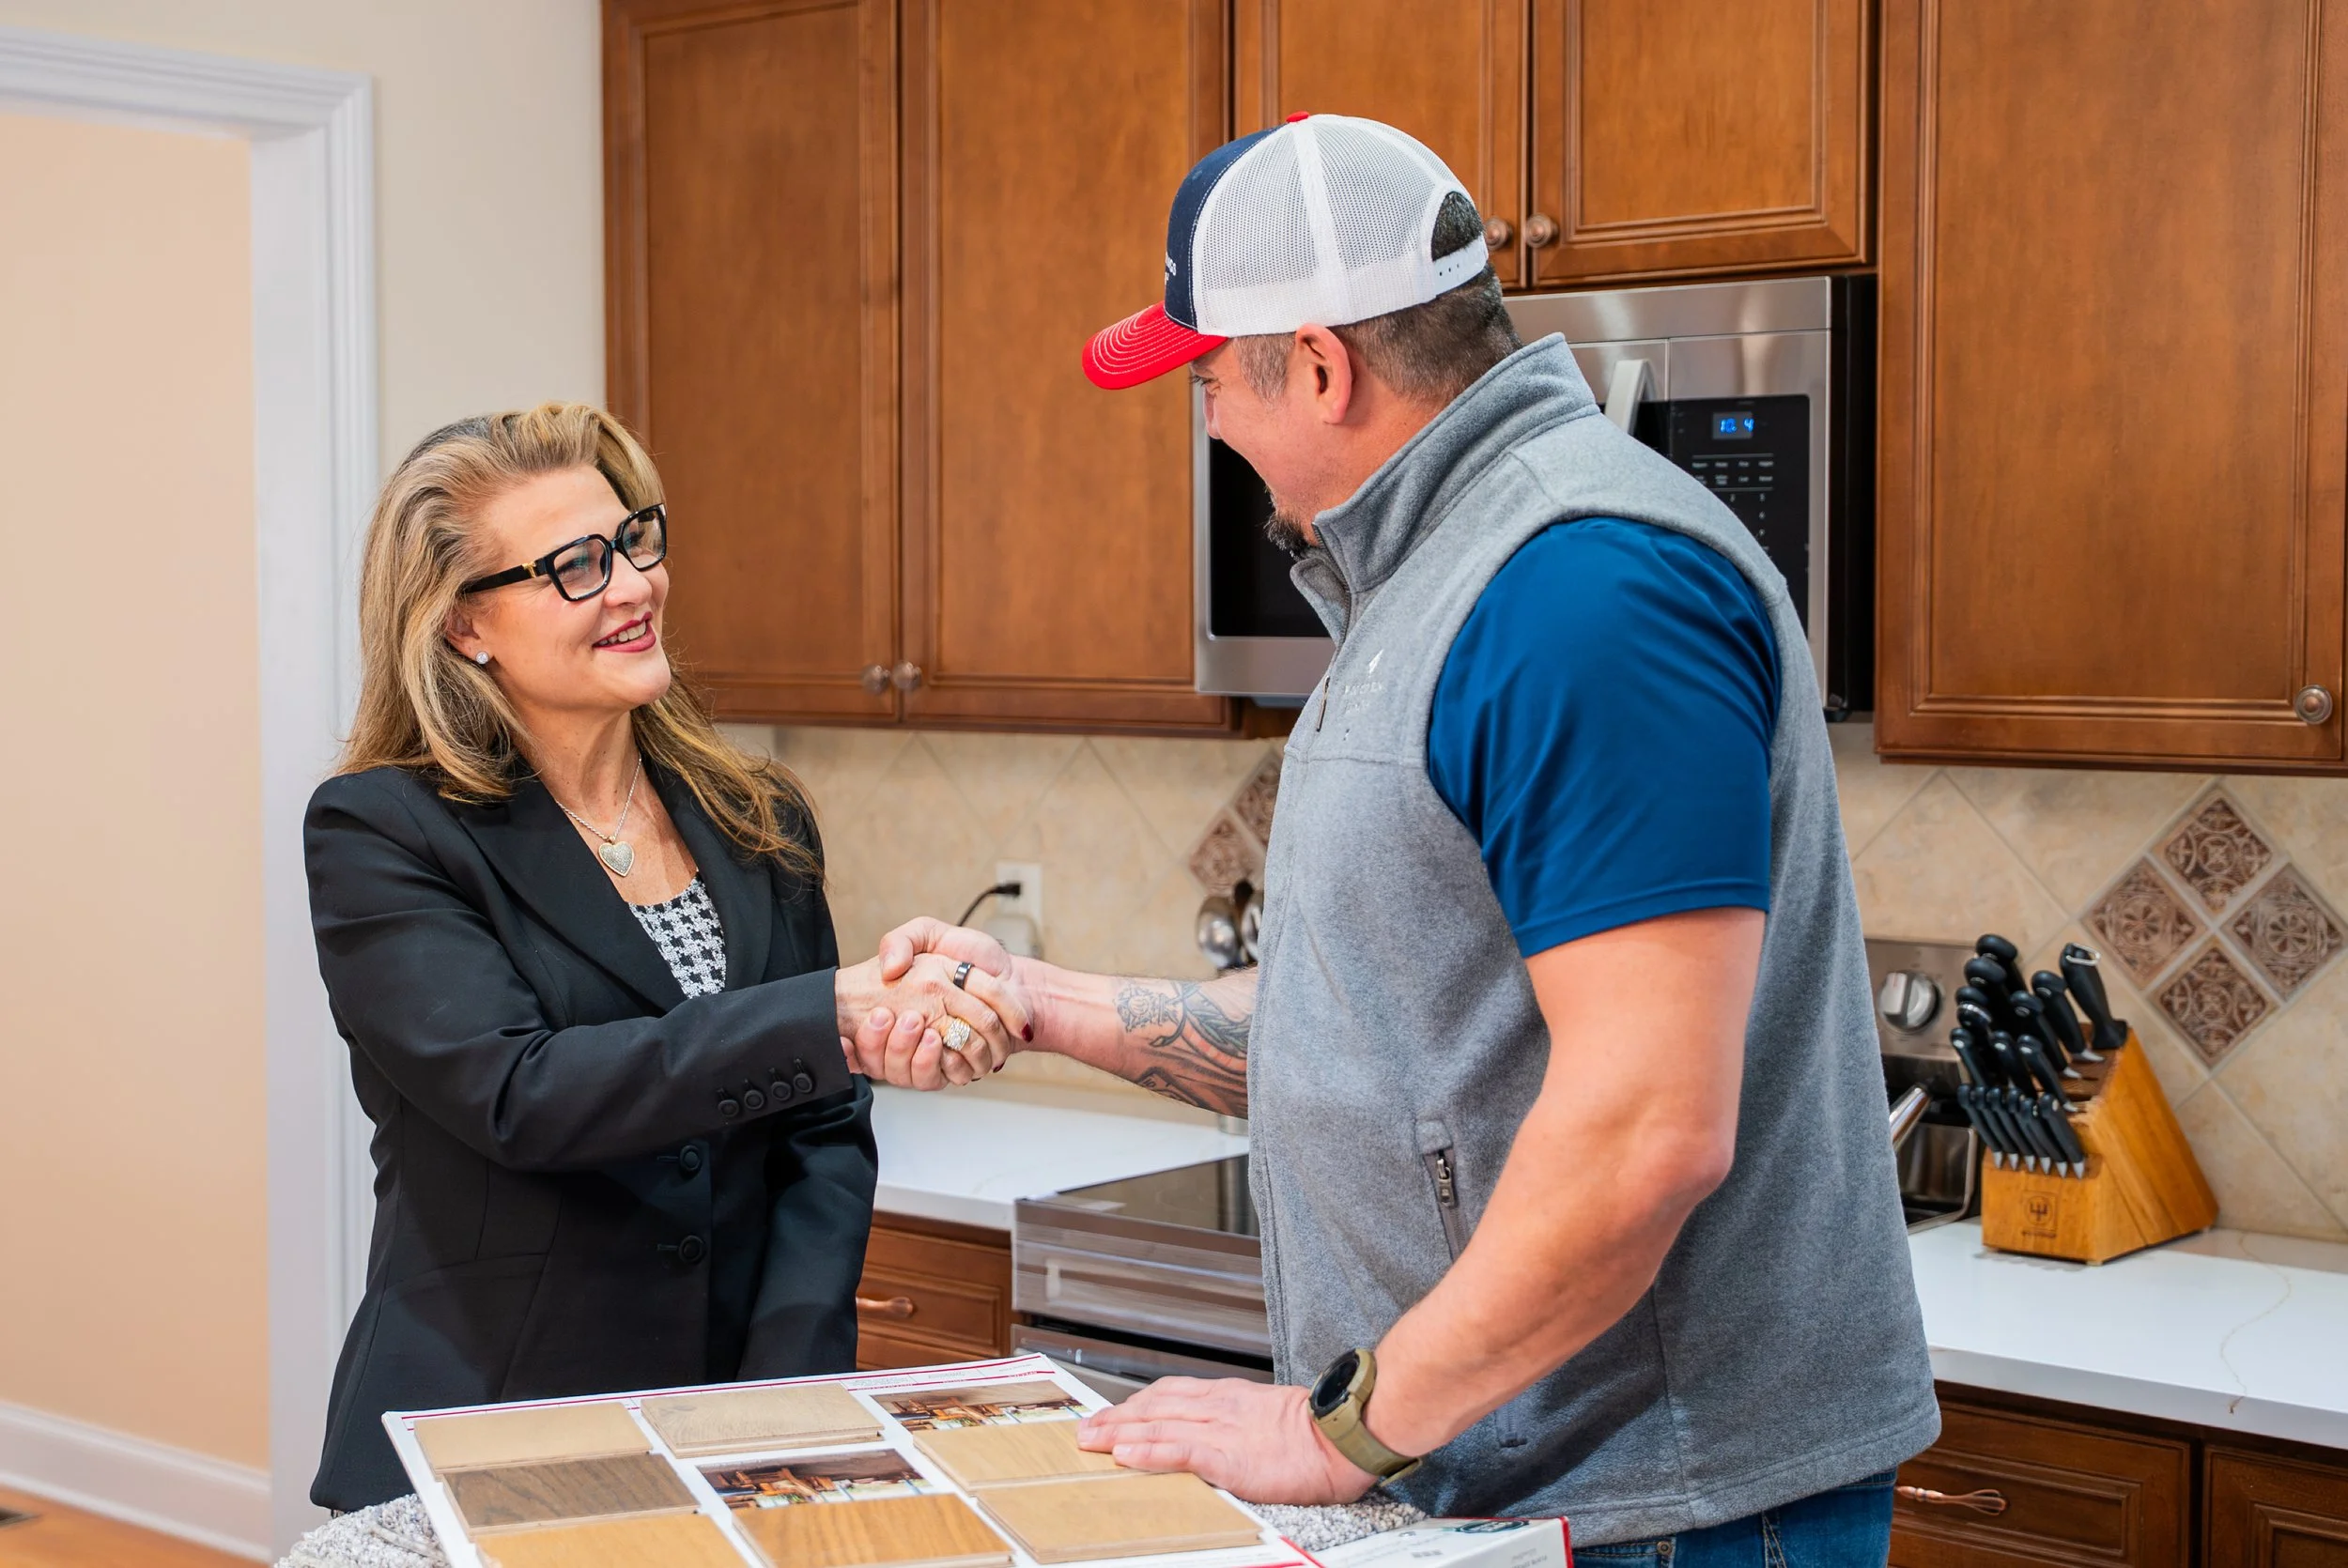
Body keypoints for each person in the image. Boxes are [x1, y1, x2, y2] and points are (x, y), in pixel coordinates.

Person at [871, 115, 1938, 1559]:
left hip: (1665, 1510)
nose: (1206, 421)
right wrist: (1044, 1000)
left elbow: (1646, 1132)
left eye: (1206, 376)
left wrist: (1335, 1431)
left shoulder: (1580, 590)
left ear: (1319, 365)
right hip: (1530, 1485)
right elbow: (1397, 1022)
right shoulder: (1450, 578)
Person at [303, 404, 1025, 1509]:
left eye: (634, 539)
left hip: (734, 1429)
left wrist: (780, 1403)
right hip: (492, 1425)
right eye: (575, 567)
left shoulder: (756, 812)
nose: (633, 583)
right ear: (463, 627)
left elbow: (821, 1139)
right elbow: (521, 1095)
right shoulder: (385, 831)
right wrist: (827, 1016)